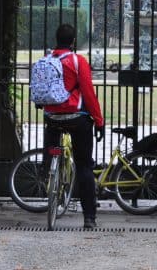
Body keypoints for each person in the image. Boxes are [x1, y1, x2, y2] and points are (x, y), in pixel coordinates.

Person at [42, 23, 105, 229]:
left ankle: (49, 169)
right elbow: (88, 92)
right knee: (84, 165)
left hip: (52, 116)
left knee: (51, 151)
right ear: (73, 42)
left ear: (56, 39)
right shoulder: (77, 61)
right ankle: (89, 217)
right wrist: (98, 120)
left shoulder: (47, 60)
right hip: (76, 117)